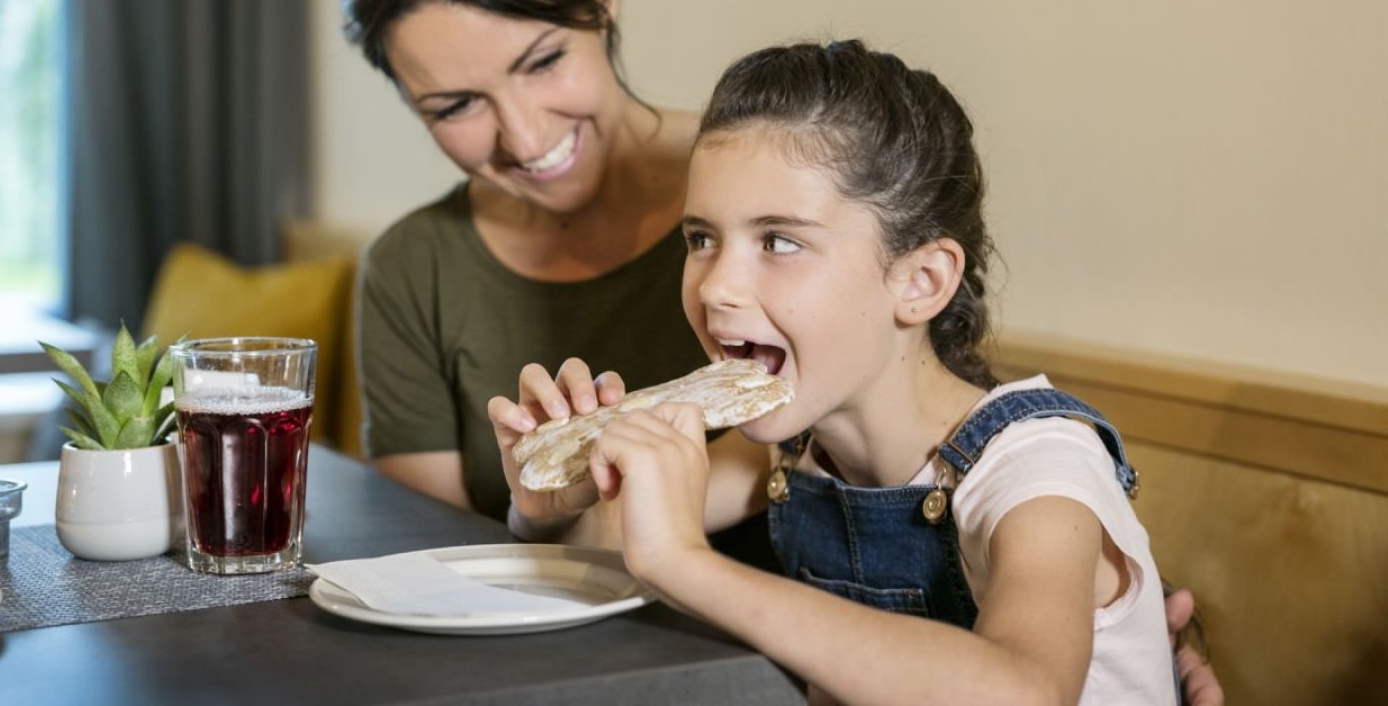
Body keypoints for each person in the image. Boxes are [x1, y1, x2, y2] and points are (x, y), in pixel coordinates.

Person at [492, 40, 1203, 704]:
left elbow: (1023, 690)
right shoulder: (786, 447)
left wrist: (687, 564)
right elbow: (604, 553)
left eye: (779, 241)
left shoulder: (1038, 470)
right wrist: (548, 509)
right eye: (701, 238)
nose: (715, 288)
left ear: (921, 280)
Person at [338, 0, 707, 521]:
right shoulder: (414, 270)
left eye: (542, 62)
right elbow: (432, 574)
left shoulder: (773, 188)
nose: (527, 138)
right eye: (455, 107)